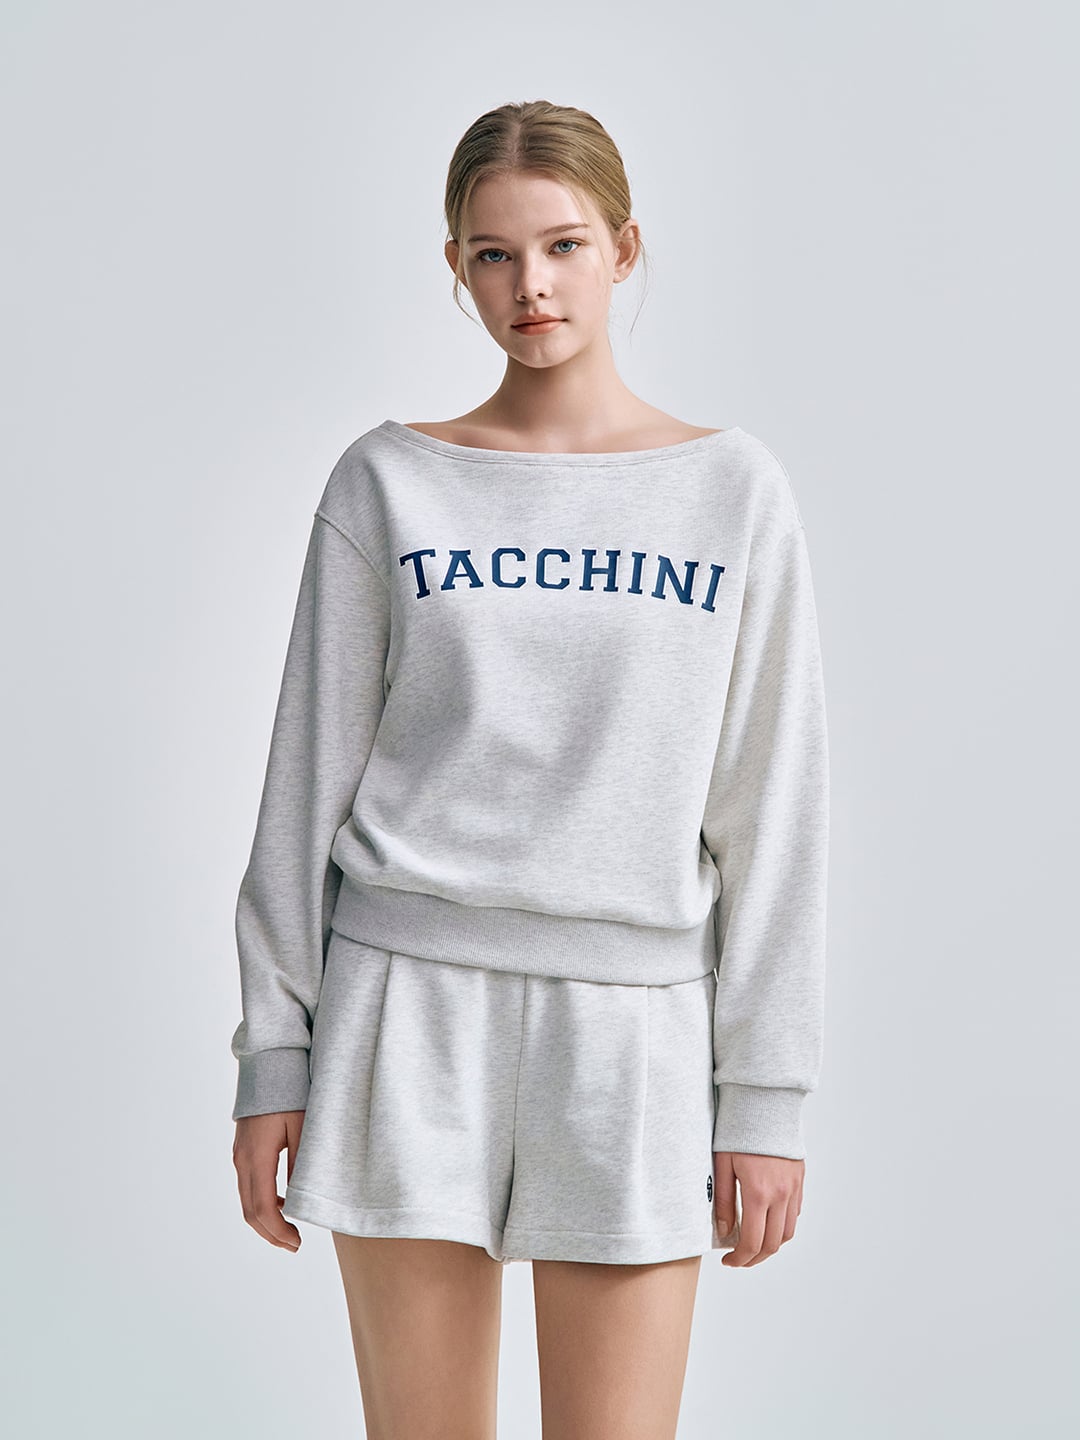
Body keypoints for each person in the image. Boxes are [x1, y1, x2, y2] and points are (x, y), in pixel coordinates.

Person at [230, 98, 830, 1440]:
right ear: (456, 265)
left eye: (562, 246)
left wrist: (767, 1097)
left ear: (623, 248)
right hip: (406, 1010)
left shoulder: (732, 493)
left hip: (633, 1030)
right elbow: (302, 789)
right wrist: (274, 1059)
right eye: (494, 255)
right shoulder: (389, 483)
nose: (531, 286)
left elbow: (772, 809)